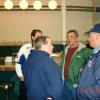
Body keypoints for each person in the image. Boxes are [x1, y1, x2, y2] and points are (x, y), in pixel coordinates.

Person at [61, 29, 92, 100]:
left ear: (76, 38)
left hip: (76, 83)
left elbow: (94, 61)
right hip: (65, 81)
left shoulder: (85, 51)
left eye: (71, 37)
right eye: (67, 37)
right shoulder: (66, 49)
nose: (68, 39)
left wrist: (85, 68)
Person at [15, 29, 42, 100]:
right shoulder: (24, 47)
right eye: (37, 36)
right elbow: (17, 63)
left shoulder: (43, 48)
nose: (39, 38)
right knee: (24, 97)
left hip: (38, 81)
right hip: (26, 80)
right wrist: (20, 75)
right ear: (32, 37)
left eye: (40, 36)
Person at [77, 23, 100, 100]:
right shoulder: (95, 54)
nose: (88, 39)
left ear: (97, 37)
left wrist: (82, 92)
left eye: (89, 36)